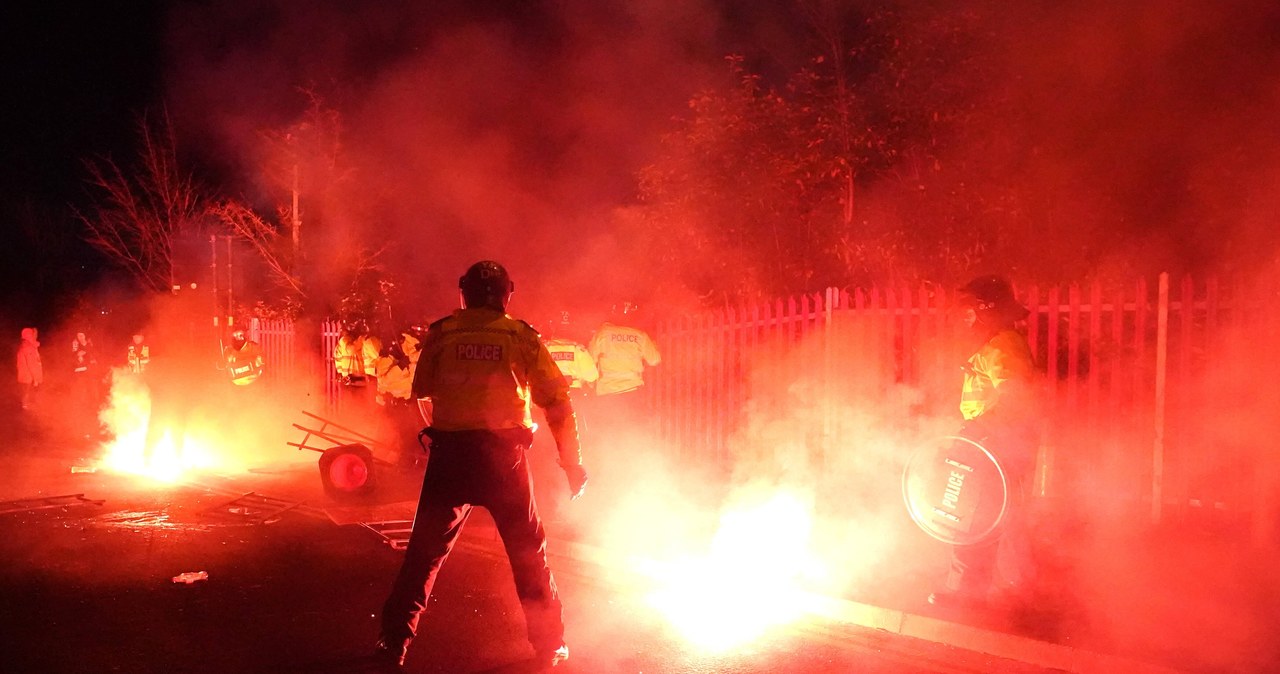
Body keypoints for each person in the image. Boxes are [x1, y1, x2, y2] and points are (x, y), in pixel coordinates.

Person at [375, 260, 588, 671]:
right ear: (507, 294)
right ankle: (548, 646)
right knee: (529, 555)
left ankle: (393, 642)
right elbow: (558, 402)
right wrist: (572, 463)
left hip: (450, 459)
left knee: (423, 556)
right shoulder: (521, 337)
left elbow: (420, 395)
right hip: (504, 461)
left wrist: (440, 435)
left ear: (464, 293)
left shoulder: (442, 335)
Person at [927, 275, 1041, 610]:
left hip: (995, 444)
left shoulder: (1002, 345)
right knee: (996, 517)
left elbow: (1014, 396)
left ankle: (970, 593)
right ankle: (1020, 591)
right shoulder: (996, 344)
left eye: (970, 312)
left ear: (985, 311)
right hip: (994, 442)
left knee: (973, 514)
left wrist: (977, 432)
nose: (965, 319)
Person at [543, 312, 598, 394]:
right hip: (574, 394)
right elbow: (592, 376)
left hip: (549, 394)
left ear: (552, 328)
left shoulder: (544, 349)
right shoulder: (578, 350)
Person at [16, 327, 42, 411]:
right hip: (29, 376)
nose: (35, 336)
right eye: (32, 335)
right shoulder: (28, 347)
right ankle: (27, 407)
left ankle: (26, 406)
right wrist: (35, 378)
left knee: (26, 391)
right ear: (28, 336)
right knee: (28, 392)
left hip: (26, 375)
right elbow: (32, 363)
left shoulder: (25, 346)